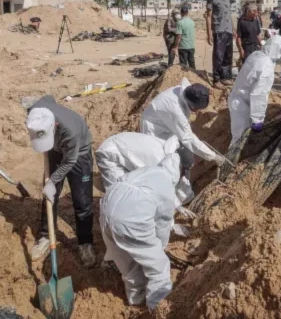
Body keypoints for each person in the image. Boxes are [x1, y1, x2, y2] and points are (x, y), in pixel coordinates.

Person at [100, 153, 184, 310]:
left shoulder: (148, 170)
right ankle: (156, 307)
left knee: (127, 263)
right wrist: (159, 249)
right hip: (131, 218)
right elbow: (162, 224)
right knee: (159, 267)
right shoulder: (166, 186)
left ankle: (136, 300)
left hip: (106, 209)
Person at [26, 96, 96, 266]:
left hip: (78, 155)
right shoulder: (35, 114)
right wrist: (50, 185)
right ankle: (45, 235)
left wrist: (52, 181)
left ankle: (85, 242)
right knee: (49, 196)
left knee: (82, 200)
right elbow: (49, 98)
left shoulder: (71, 131)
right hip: (54, 148)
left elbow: (69, 162)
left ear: (55, 125)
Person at [95, 133, 195, 213]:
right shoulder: (158, 161)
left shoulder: (169, 153)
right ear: (180, 165)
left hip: (122, 144)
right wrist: (177, 206)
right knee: (121, 195)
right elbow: (160, 188)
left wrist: (186, 198)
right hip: (110, 154)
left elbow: (171, 182)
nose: (181, 174)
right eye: (183, 172)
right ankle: (108, 219)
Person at [140, 78, 227, 165]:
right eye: (196, 108)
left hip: (167, 122)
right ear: (190, 103)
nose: (196, 111)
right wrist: (213, 156)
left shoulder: (188, 92)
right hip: (155, 129)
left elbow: (198, 91)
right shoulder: (176, 111)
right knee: (159, 160)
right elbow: (187, 138)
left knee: (176, 150)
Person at [228, 34, 281, 142]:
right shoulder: (267, 67)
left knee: (238, 137)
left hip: (237, 99)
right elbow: (259, 94)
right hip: (243, 105)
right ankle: (230, 159)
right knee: (239, 140)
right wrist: (257, 119)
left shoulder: (256, 54)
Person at [205, 0, 235, 88]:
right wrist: (209, 33)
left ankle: (225, 77)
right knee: (218, 56)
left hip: (228, 30)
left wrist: (234, 29)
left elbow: (229, 15)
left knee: (228, 55)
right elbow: (208, 16)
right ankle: (216, 79)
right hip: (219, 30)